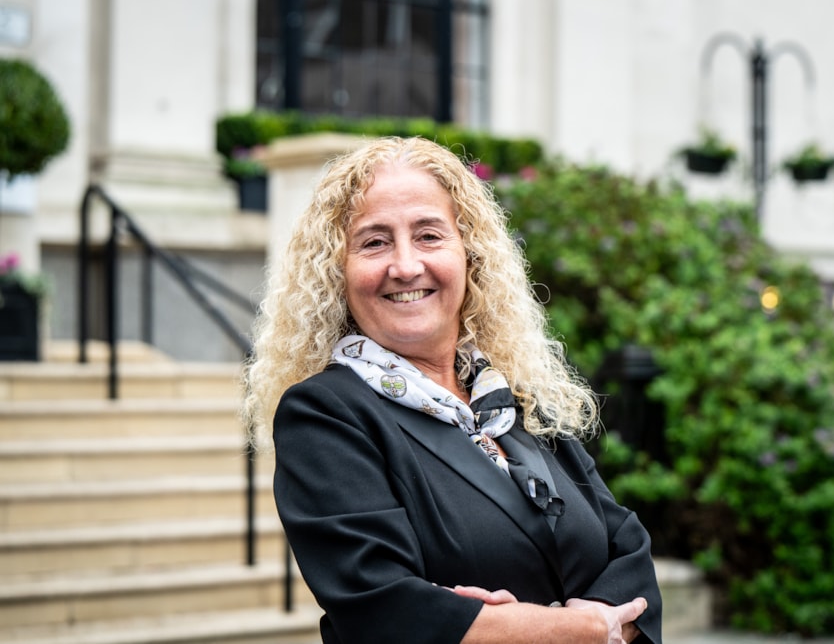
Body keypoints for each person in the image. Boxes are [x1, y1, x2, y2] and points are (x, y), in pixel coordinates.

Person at [244, 136, 663, 644]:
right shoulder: (325, 413)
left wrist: (518, 628)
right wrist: (579, 628)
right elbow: (383, 610)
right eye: (374, 242)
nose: (405, 266)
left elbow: (629, 549)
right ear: (338, 272)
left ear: (470, 255)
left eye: (428, 236)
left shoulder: (507, 399)